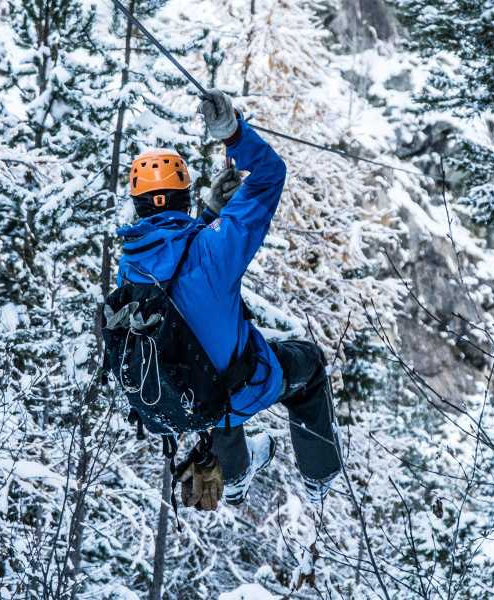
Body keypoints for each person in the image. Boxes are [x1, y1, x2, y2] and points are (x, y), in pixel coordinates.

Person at [114, 89, 341, 510]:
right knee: (304, 367)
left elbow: (174, 261)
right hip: (231, 388)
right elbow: (271, 175)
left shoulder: (129, 267)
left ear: (137, 205)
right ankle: (320, 479)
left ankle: (234, 479)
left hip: (174, 395)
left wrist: (210, 213)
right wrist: (233, 134)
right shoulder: (214, 250)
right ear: (184, 194)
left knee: (213, 376)